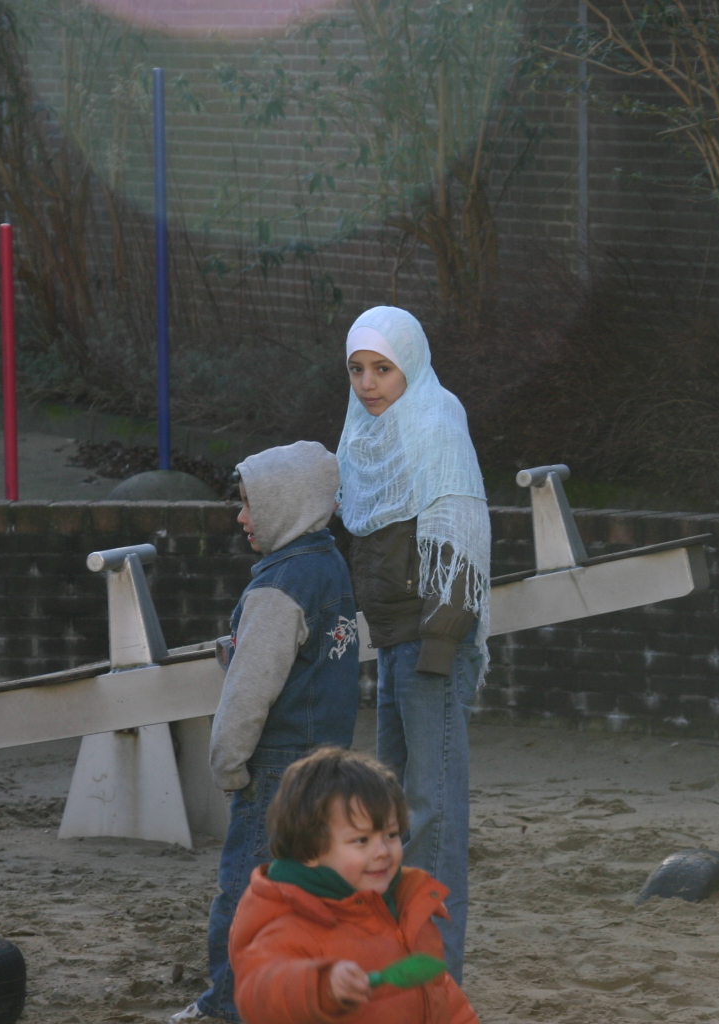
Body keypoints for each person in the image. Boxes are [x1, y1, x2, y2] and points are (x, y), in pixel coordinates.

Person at [178, 441, 363, 1023]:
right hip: (328, 767)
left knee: (247, 897)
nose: (241, 517)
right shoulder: (329, 567)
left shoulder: (276, 588)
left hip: (277, 770)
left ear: (286, 505)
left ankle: (230, 1008)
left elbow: (250, 692)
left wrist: (228, 764)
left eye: (250, 505)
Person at [336, 306, 489, 983]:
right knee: (393, 809)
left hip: (432, 646)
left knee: (434, 811)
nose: (368, 383)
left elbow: (459, 534)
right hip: (395, 641)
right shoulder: (362, 438)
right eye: (357, 369)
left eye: (382, 369)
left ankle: (436, 974)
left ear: (412, 366)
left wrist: (439, 648)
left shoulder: (434, 422)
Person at [229, 746, 480, 1024]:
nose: (382, 851)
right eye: (362, 840)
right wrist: (320, 985)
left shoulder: (403, 906)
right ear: (309, 850)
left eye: (391, 834)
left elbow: (438, 994)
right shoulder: (293, 921)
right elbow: (257, 993)